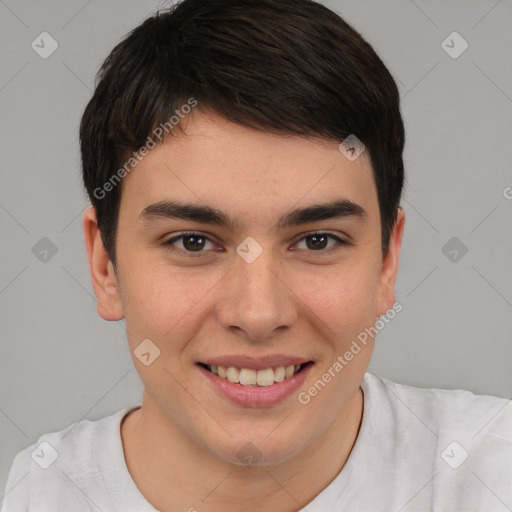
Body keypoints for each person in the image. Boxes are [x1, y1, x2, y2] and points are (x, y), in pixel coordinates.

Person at [2, 0, 511, 510]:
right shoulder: (37, 493)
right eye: (193, 242)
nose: (258, 314)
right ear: (105, 266)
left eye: (318, 241)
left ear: (386, 261)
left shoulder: (494, 473)